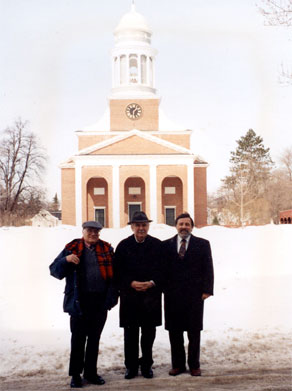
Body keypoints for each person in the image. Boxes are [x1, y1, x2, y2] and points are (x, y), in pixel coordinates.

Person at [49, 221, 117, 388]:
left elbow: (115, 277)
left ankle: (91, 373)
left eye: (96, 231)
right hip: (79, 302)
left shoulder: (107, 250)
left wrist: (111, 299)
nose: (93, 234)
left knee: (94, 339)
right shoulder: (72, 248)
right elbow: (54, 270)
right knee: (78, 339)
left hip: (99, 302)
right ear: (83, 232)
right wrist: (66, 259)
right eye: (90, 231)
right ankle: (75, 375)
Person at [114, 211, 163, 380]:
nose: (141, 228)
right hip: (130, 297)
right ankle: (131, 366)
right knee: (131, 334)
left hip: (151, 297)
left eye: (144, 225)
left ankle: (147, 365)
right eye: (138, 225)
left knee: (149, 334)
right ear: (132, 227)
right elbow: (117, 271)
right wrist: (130, 283)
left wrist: (152, 282)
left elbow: (164, 271)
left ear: (148, 226)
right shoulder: (123, 246)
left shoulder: (158, 245)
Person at [163, 212, 214, 377]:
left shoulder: (203, 244)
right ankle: (177, 365)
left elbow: (208, 268)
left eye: (187, 224)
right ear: (176, 226)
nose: (184, 227)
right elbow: (161, 270)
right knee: (175, 332)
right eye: (181, 224)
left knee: (194, 331)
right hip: (173, 296)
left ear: (192, 226)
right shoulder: (166, 245)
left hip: (195, 295)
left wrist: (207, 290)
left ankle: (194, 365)